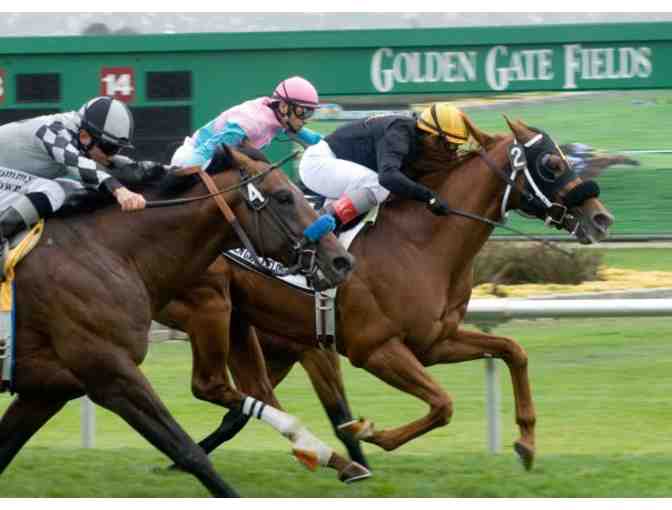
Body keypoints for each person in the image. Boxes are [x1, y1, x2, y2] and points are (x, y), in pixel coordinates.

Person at [0, 96, 167, 245]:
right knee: (52, 190)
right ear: (84, 136)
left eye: (117, 149)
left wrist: (168, 170)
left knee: (72, 188)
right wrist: (121, 191)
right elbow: (81, 167)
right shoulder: (51, 131)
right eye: (109, 148)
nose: (111, 155)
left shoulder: (79, 134)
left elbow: (122, 164)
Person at [298, 102, 470, 229]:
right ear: (433, 136)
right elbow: (388, 177)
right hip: (320, 164)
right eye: (450, 146)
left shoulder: (416, 139)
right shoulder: (399, 133)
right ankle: (317, 230)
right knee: (377, 185)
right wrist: (429, 197)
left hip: (338, 169)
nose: (451, 153)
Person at [171, 75, 323, 168]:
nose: (305, 119)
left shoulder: (279, 117)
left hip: (207, 159)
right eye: (303, 112)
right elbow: (206, 152)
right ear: (284, 106)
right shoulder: (252, 124)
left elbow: (315, 140)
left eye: (310, 112)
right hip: (192, 159)